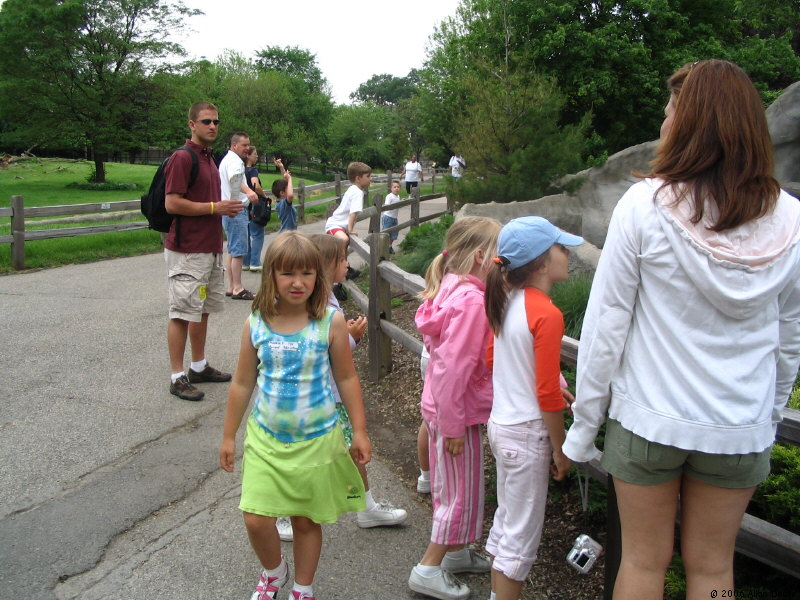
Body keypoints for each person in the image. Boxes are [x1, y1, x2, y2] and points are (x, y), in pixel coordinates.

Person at [562, 59, 800, 600]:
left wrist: (583, 428)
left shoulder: (643, 206)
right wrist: (770, 408)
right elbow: (791, 333)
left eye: (671, 111)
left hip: (649, 421)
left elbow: (604, 330)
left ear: (692, 123)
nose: (665, 123)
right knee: (715, 570)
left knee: (643, 564)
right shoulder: (791, 218)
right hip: (738, 428)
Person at [219, 231, 372, 600]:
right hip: (266, 439)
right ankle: (274, 572)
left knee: (305, 520)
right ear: (271, 274)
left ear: (318, 277)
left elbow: (347, 377)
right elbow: (242, 382)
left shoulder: (328, 323)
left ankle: (303, 588)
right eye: (288, 274)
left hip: (316, 440)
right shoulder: (256, 321)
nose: (298, 282)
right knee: (256, 518)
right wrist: (228, 435)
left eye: (307, 273)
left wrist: (360, 431)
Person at [483, 216, 583, 600]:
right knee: (521, 539)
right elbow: (546, 395)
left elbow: (496, 359)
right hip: (527, 433)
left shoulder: (506, 300)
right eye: (560, 248)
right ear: (542, 264)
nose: (567, 253)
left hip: (502, 426)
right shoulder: (547, 313)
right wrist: (561, 448)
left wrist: (552, 383)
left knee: (508, 521)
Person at [408, 216, 502, 600]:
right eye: (499, 256)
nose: (503, 263)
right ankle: (428, 569)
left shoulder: (451, 288)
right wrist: (451, 427)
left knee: (458, 487)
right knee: (458, 494)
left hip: (448, 413)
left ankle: (457, 554)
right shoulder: (473, 302)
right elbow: (452, 369)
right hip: (455, 418)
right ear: (480, 256)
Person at [163, 101, 243, 402]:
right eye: (206, 121)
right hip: (188, 250)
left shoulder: (209, 158)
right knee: (182, 313)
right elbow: (172, 203)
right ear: (192, 125)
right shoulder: (183, 158)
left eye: (216, 122)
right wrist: (214, 207)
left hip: (209, 248)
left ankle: (198, 366)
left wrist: (224, 209)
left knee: (202, 311)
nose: (212, 126)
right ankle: (176, 376)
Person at [219, 132, 258, 300]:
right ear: (234, 145)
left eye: (248, 145)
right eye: (244, 145)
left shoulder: (228, 160)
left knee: (233, 250)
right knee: (239, 250)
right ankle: (238, 288)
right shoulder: (234, 161)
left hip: (229, 209)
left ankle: (231, 286)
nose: (247, 148)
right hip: (236, 210)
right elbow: (235, 179)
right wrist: (249, 191)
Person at [324, 161, 372, 245]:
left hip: (339, 227)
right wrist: (350, 230)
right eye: (368, 176)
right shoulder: (358, 193)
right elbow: (353, 213)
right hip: (335, 226)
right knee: (344, 240)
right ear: (358, 179)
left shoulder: (352, 188)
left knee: (343, 246)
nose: (370, 178)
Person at [243, 146, 270, 272]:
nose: (257, 156)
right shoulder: (252, 170)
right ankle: (255, 262)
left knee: (247, 235)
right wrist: (264, 196)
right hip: (255, 205)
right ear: (248, 155)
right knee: (258, 234)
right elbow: (256, 185)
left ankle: (245, 262)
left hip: (245, 206)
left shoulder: (241, 170)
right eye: (255, 154)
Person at [273, 158, 296, 233]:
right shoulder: (284, 204)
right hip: (287, 234)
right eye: (287, 188)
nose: (289, 189)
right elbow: (290, 196)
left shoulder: (280, 202)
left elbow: (284, 182)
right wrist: (290, 179)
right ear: (282, 193)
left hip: (286, 233)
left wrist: (281, 167)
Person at [381, 180, 402, 253]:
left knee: (394, 234)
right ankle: (383, 248)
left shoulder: (398, 196)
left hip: (394, 218)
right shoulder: (389, 196)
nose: (396, 188)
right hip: (388, 217)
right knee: (386, 233)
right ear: (391, 188)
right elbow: (387, 206)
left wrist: (401, 201)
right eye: (394, 187)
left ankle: (389, 246)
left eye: (398, 187)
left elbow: (397, 202)